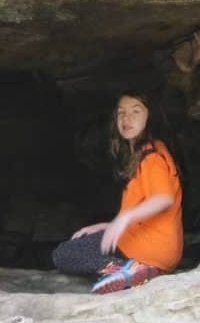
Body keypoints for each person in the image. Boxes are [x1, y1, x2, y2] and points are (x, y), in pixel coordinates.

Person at [52, 91, 183, 294]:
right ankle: (140, 271)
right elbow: (142, 207)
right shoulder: (148, 151)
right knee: (80, 243)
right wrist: (107, 226)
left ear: (150, 117)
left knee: (65, 254)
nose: (126, 118)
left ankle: (127, 270)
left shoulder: (151, 157)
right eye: (121, 113)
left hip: (148, 247)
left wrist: (122, 220)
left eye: (136, 112)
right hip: (156, 247)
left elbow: (163, 198)